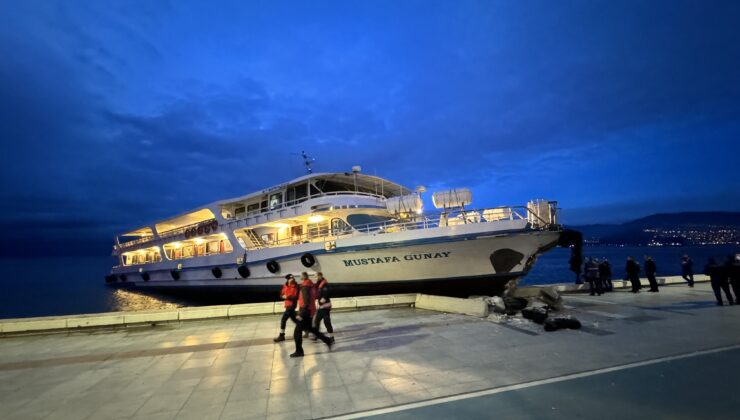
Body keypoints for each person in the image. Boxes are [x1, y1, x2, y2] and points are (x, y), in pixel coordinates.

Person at [291, 272, 333, 358]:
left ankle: (299, 351)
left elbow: (306, 301)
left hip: (305, 311)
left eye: (300, 276)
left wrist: (301, 314)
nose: (299, 277)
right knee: (311, 329)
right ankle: (327, 340)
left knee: (297, 332)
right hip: (311, 310)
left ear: (303, 277)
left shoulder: (305, 287)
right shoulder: (310, 285)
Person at [273, 274, 298, 342]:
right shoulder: (285, 286)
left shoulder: (295, 287)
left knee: (283, 319)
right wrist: (282, 296)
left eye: (292, 278)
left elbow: (296, 297)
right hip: (287, 305)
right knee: (295, 320)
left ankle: (281, 335)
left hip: (291, 306)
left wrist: (287, 297)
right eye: (290, 278)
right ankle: (307, 329)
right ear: (287, 279)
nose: (292, 279)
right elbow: (281, 294)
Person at [312, 272, 334, 341]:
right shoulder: (318, 284)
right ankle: (316, 335)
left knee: (327, 322)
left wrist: (324, 298)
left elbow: (328, 292)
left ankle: (331, 337)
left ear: (320, 276)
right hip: (320, 307)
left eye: (316, 276)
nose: (315, 278)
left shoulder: (325, 284)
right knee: (316, 321)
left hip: (325, 307)